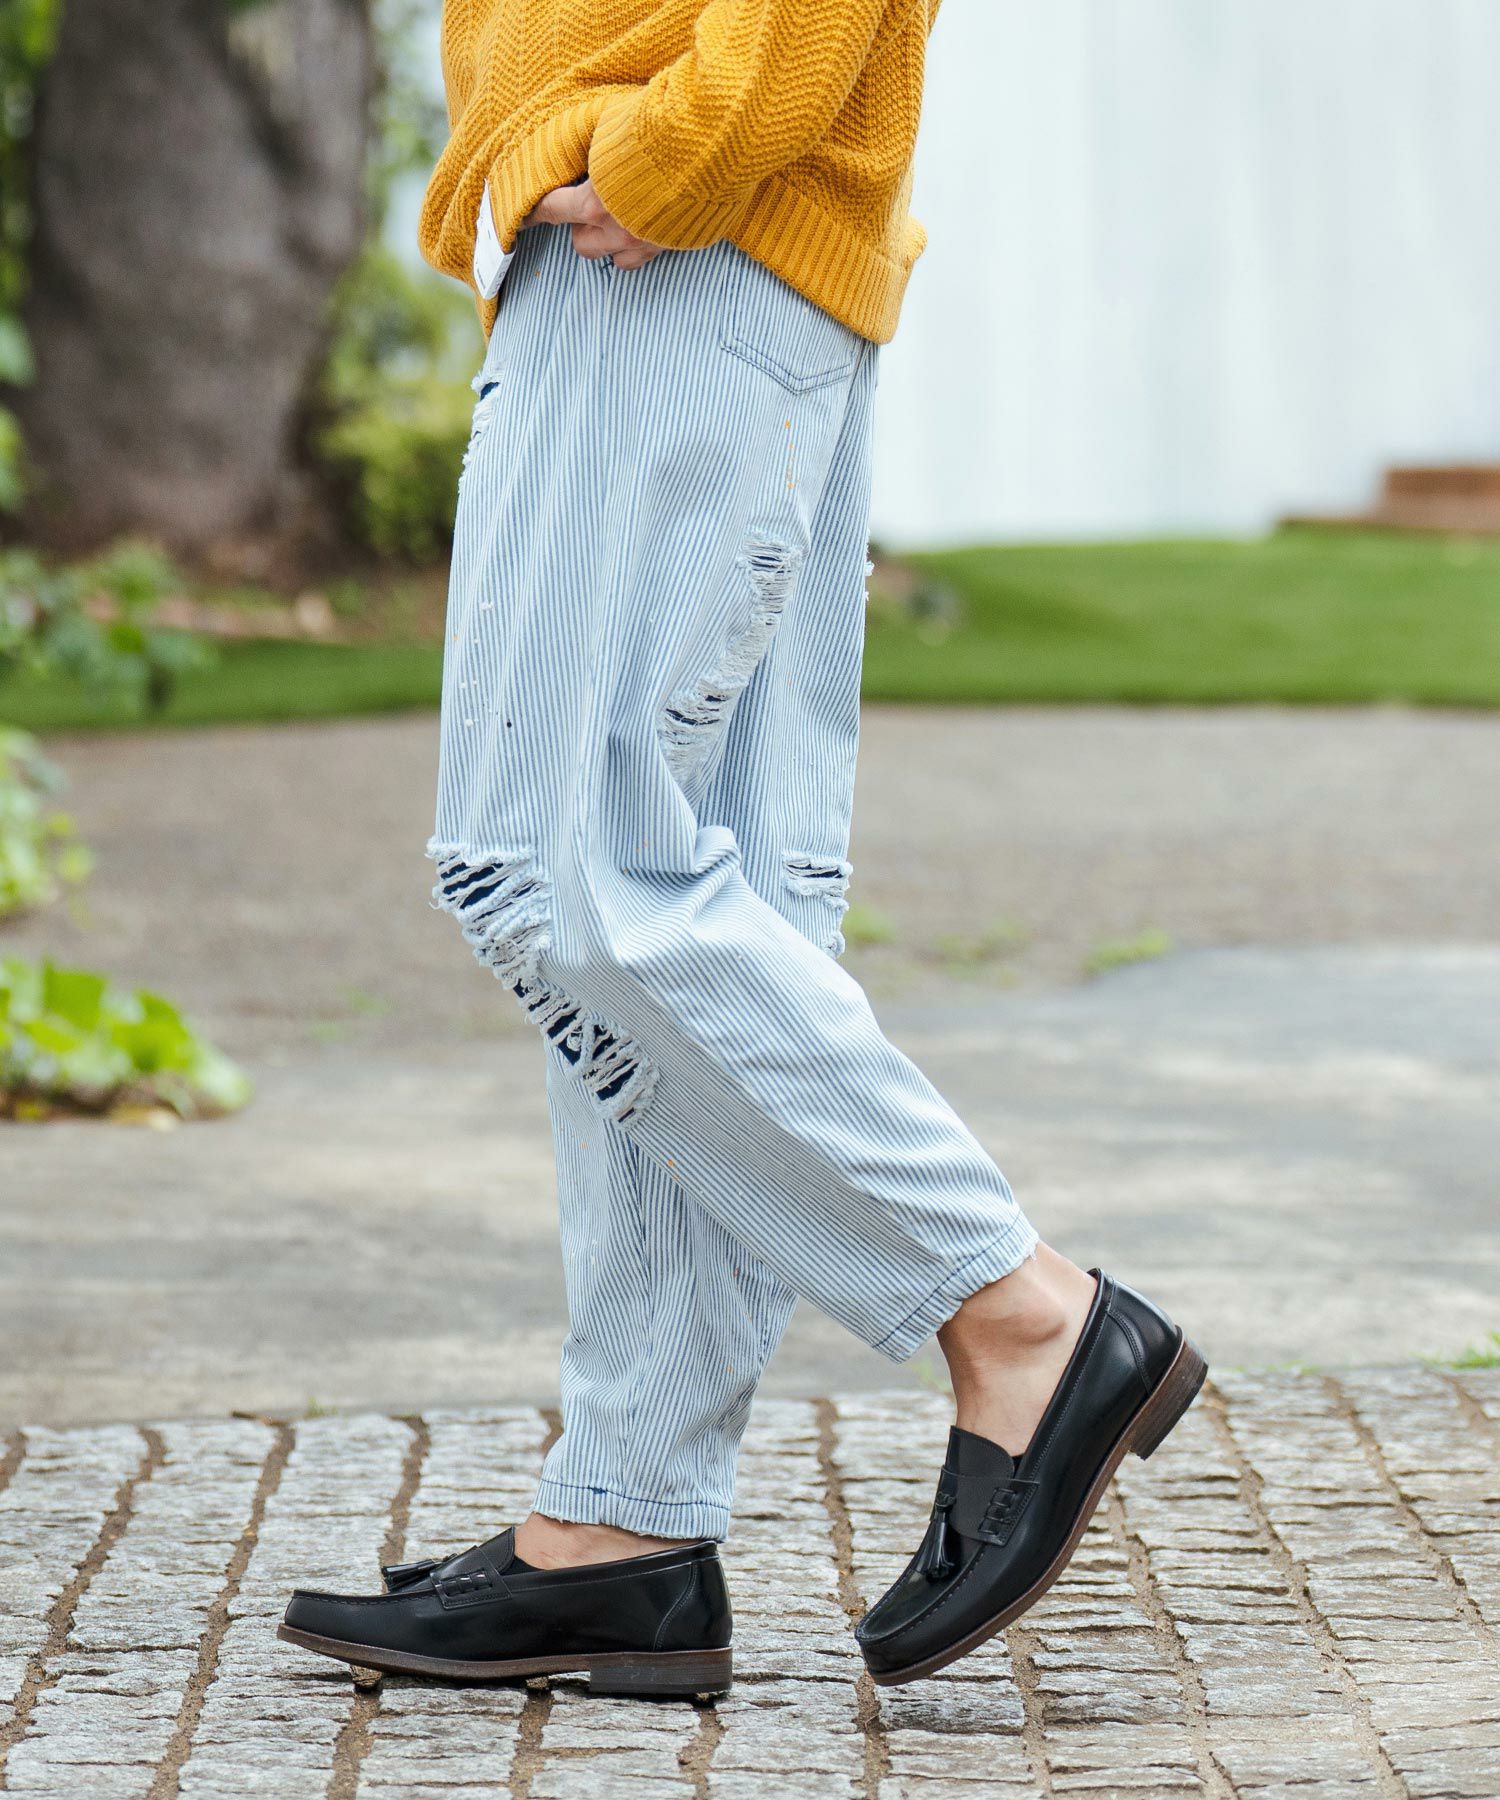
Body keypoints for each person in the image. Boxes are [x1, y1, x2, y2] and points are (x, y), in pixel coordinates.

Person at [280, 0, 1205, 1697]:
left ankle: (1020, 1314)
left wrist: (674, 149)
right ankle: (622, 1527)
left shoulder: (676, 186)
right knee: (703, 899)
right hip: (714, 246)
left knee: (557, 872)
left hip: (671, 242)